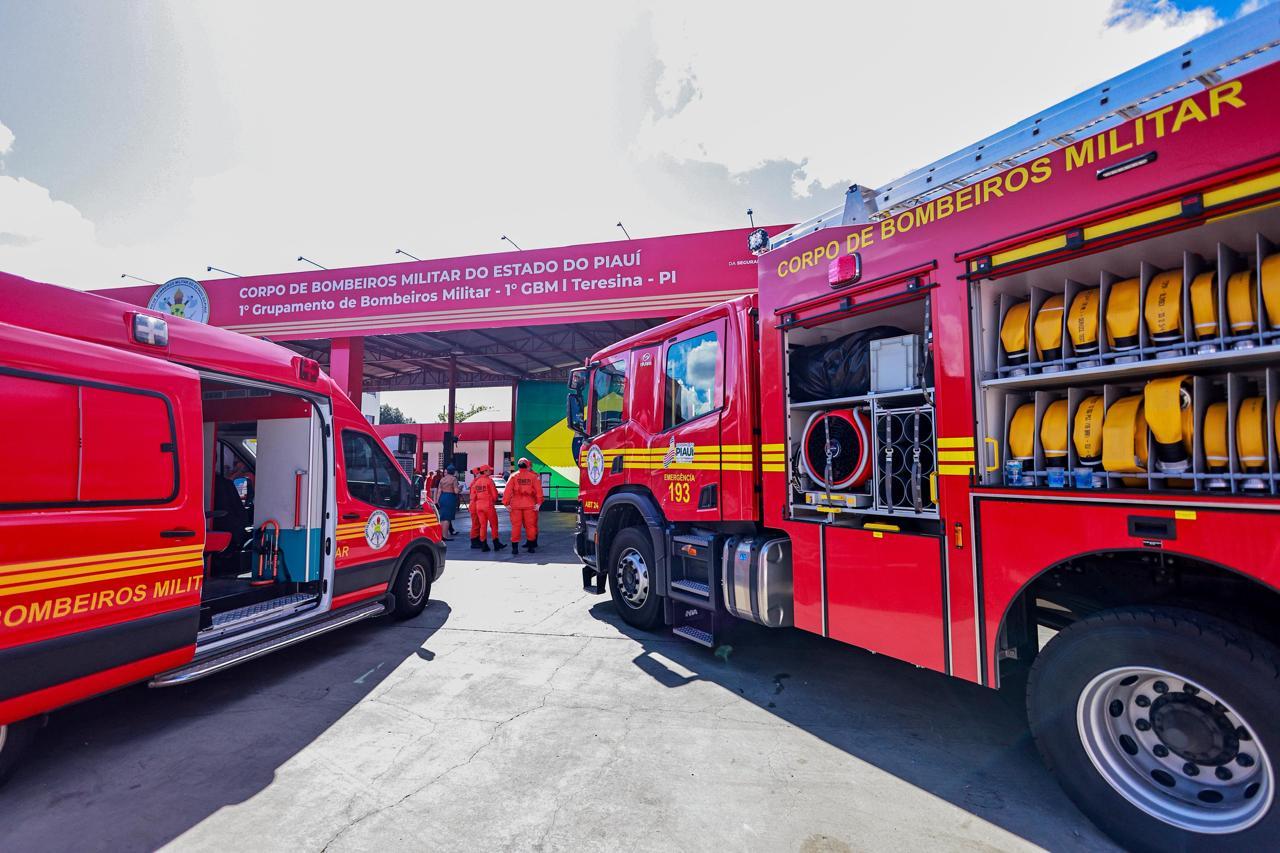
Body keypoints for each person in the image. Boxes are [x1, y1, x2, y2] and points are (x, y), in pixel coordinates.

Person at [502, 457, 543, 555]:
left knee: (516, 526)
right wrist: (539, 503)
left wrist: (506, 503)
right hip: (530, 504)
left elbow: (507, 491)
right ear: (527, 465)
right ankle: (531, 547)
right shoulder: (533, 476)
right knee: (530, 526)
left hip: (515, 504)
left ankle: (515, 549)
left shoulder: (513, 476)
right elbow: (539, 491)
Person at [469, 464, 505, 552]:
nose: (490, 471)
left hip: (479, 505)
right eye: (489, 470)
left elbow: (473, 496)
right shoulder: (489, 481)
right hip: (488, 505)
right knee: (494, 525)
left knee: (482, 526)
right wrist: (493, 500)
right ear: (485, 471)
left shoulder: (476, 482)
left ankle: (484, 545)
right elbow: (494, 495)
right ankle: (496, 544)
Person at [434, 465, 462, 538]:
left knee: (443, 517)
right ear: (453, 471)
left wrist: (437, 500)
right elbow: (456, 491)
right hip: (450, 497)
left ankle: (441, 535)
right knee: (447, 518)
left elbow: (439, 490)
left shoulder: (442, 479)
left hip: (442, 497)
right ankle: (445, 536)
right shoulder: (453, 479)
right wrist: (460, 489)